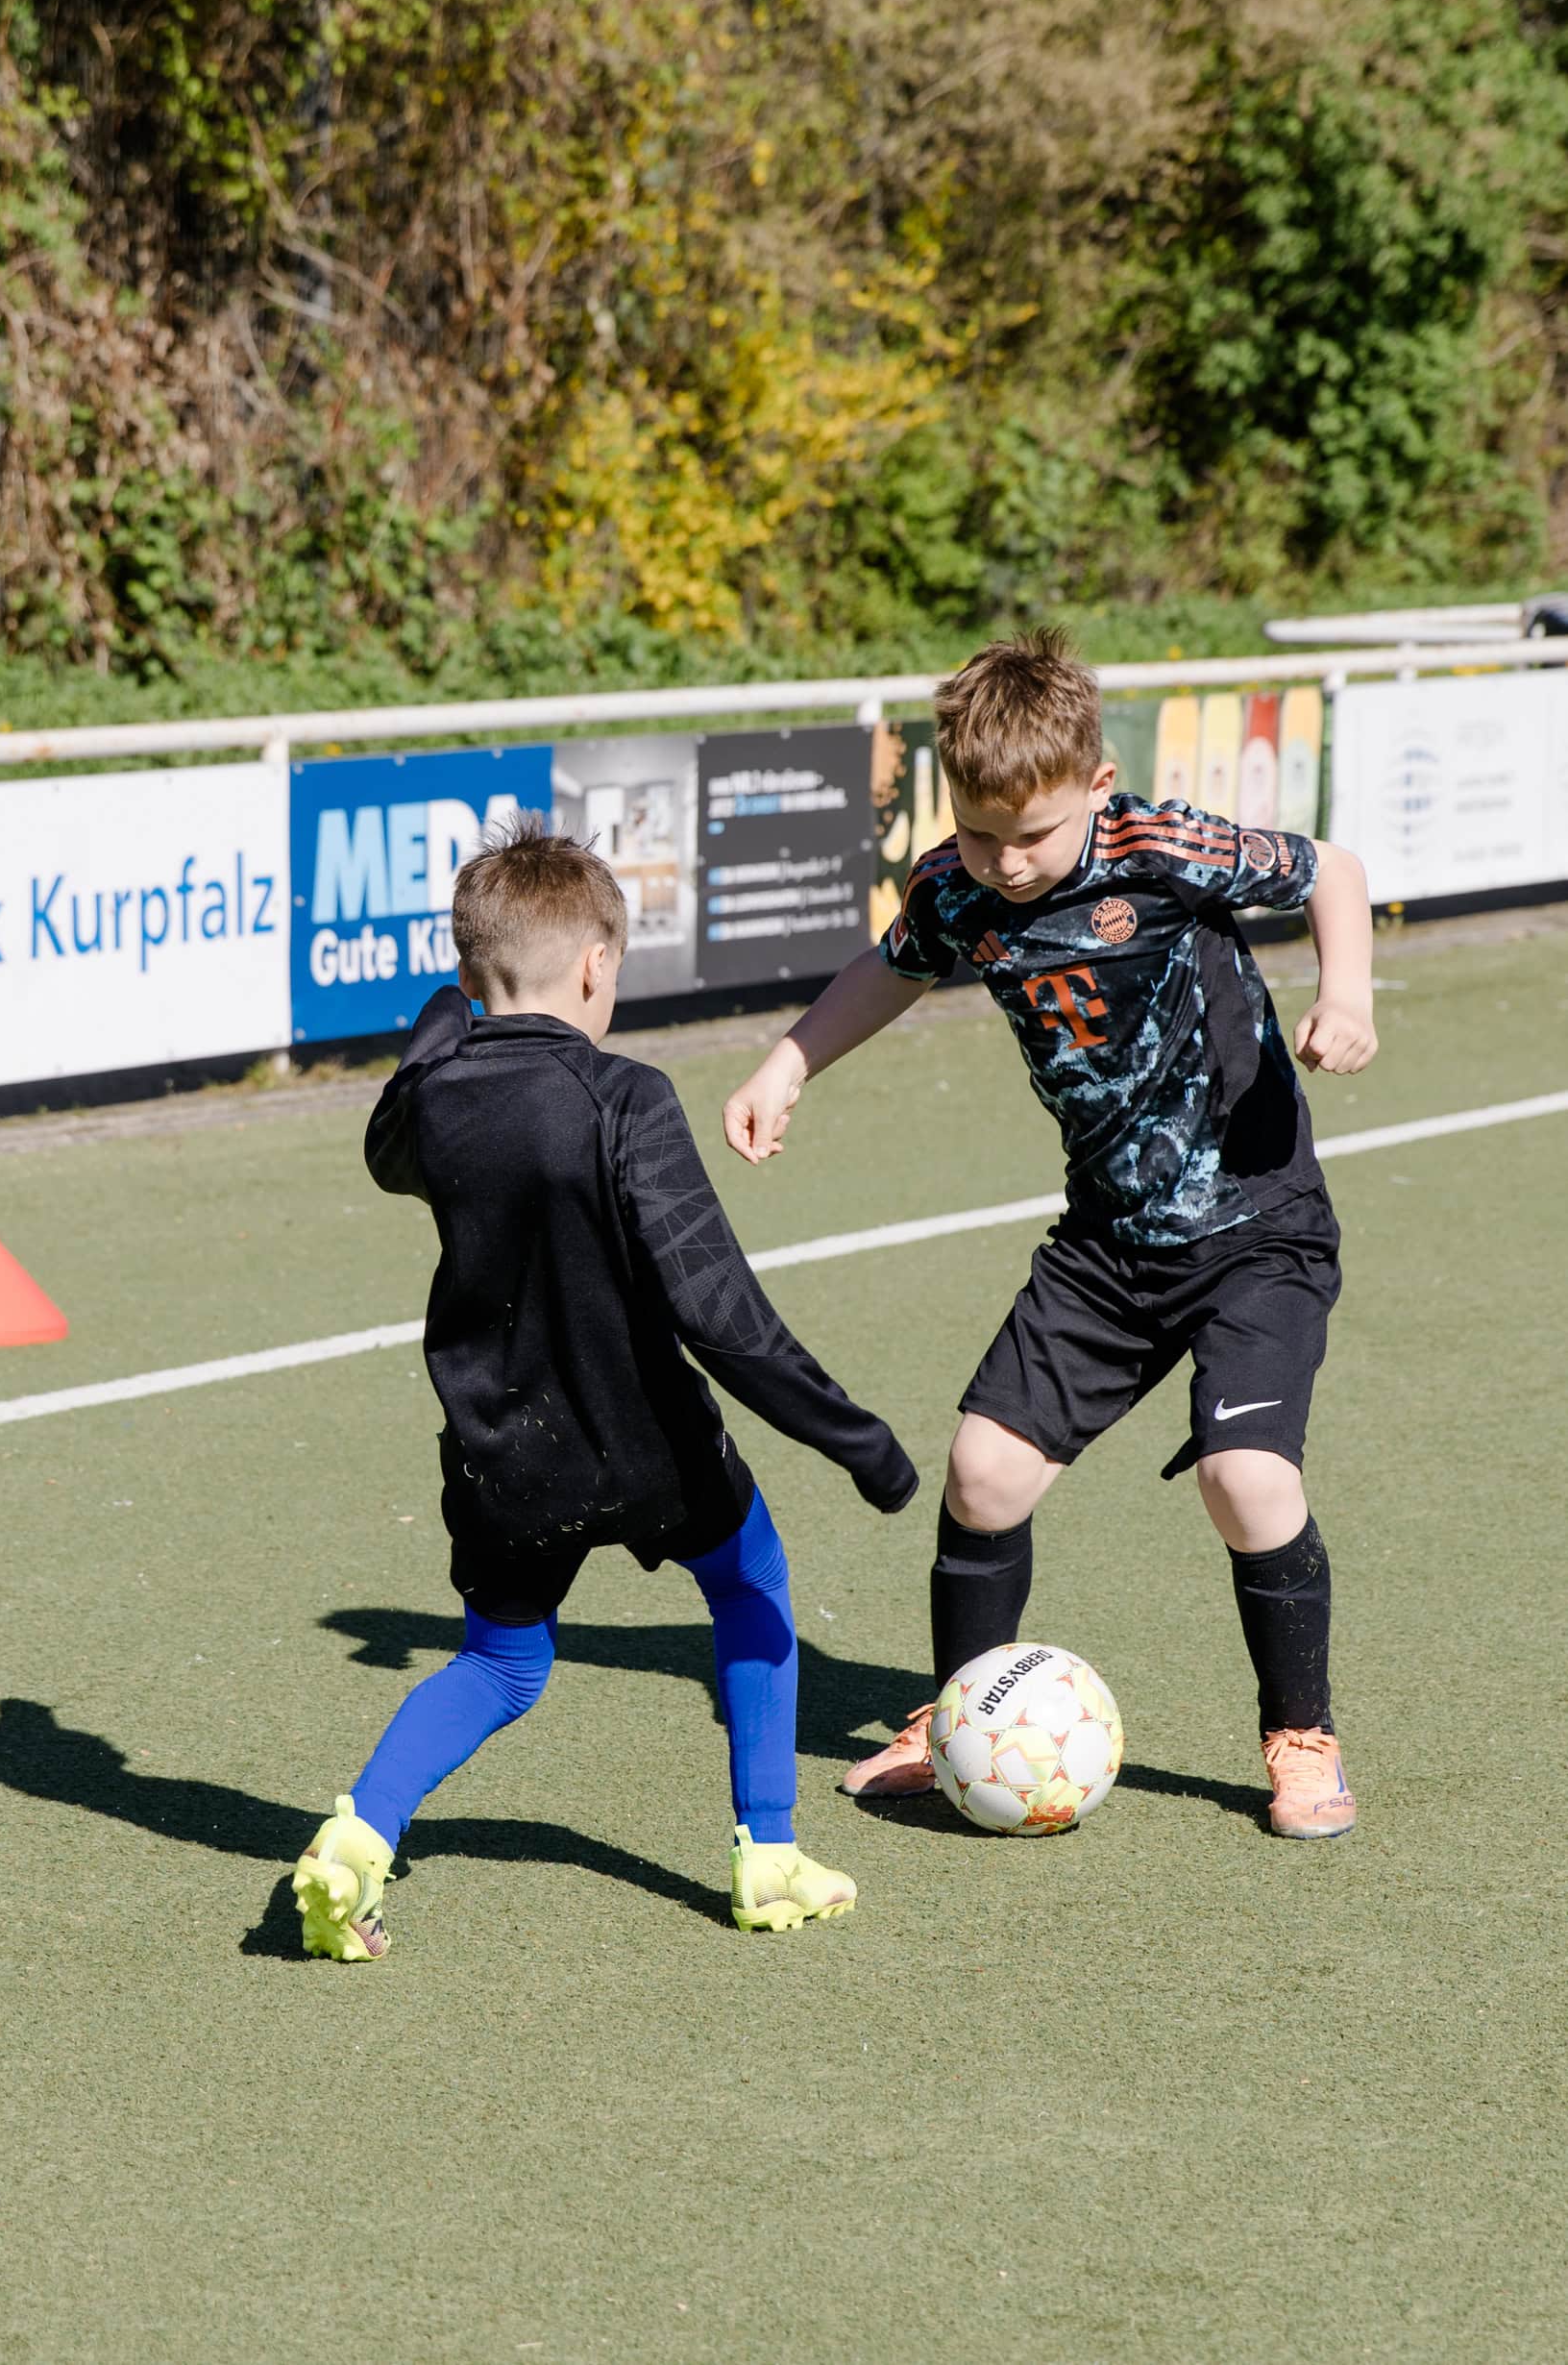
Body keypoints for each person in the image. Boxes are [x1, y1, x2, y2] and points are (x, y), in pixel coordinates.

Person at [723, 628, 1377, 1838]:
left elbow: (1330, 869)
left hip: (1257, 1227)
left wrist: (1345, 991)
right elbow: (892, 966)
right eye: (978, 834)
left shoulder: (1162, 846)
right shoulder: (954, 884)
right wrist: (788, 1061)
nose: (1005, 862)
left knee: (1244, 1479)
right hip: (1106, 1243)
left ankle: (1300, 1737)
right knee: (982, 1471)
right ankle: (956, 1716)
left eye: (1029, 834)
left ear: (1095, 784)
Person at [292, 820, 917, 1958]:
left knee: (501, 1663)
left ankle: (358, 1837)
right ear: (594, 967)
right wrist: (853, 1437)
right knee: (749, 1585)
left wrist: (445, 1015)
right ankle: (768, 1857)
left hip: (501, 1448)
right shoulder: (625, 1095)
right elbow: (717, 1312)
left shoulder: (433, 1099)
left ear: (475, 972)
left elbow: (391, 1137)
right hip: (647, 1443)